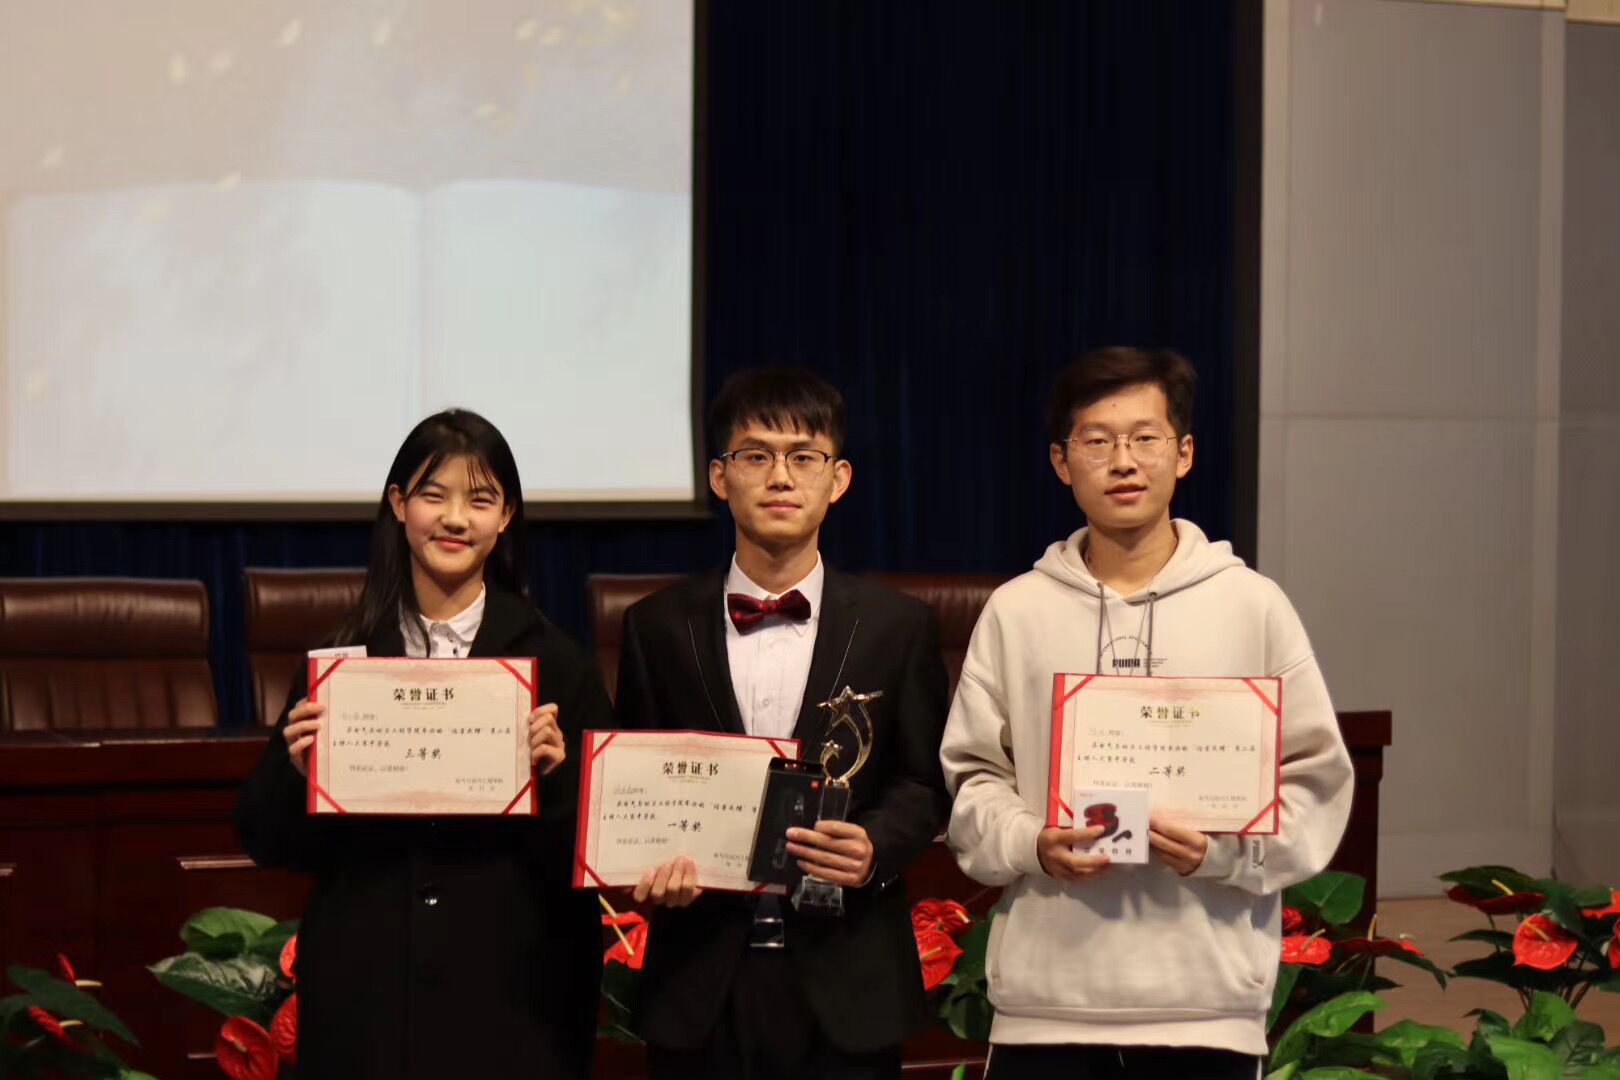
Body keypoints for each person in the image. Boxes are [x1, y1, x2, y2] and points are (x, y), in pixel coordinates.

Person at [939, 347, 1354, 1079]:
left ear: (1184, 453)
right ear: (1062, 462)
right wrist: (1034, 841)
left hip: (1207, 1005)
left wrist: (1221, 851)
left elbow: (1316, 783)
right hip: (1047, 1002)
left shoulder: (1252, 606)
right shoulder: (1016, 611)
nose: (1123, 461)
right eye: (1097, 441)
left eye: (1145, 438)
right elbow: (974, 780)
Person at [236, 409, 610, 1080]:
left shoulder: (558, 665)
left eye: (480, 499)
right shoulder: (341, 664)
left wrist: (555, 779)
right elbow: (270, 843)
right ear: (398, 504)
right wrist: (295, 771)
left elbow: (600, 852)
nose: (455, 518)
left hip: (514, 1003)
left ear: (506, 517)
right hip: (367, 1001)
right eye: (434, 495)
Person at [613, 368, 951, 1080]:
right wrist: (651, 862)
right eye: (755, 455)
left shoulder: (899, 627)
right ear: (719, 476)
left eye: (804, 456)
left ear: (839, 479)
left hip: (849, 980)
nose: (780, 476)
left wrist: (874, 846)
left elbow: (925, 782)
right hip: (699, 981)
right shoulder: (656, 627)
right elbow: (634, 784)